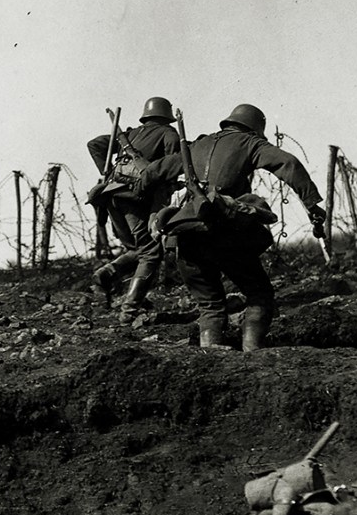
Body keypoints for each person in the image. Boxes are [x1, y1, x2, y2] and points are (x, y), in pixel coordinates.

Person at [138, 103, 326, 350]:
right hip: (225, 231)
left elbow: (152, 171)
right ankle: (253, 355)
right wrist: (312, 205)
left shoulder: (196, 146)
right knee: (259, 295)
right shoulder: (250, 143)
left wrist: (144, 203)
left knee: (210, 305)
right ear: (255, 129)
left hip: (185, 231)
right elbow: (288, 164)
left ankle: (212, 357)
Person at [86, 96, 182, 323]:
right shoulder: (169, 134)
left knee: (140, 248)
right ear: (166, 116)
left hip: (109, 195)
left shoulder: (129, 135)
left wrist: (108, 171)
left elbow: (95, 145)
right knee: (150, 252)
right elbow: (171, 166)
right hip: (134, 199)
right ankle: (129, 312)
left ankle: (106, 274)